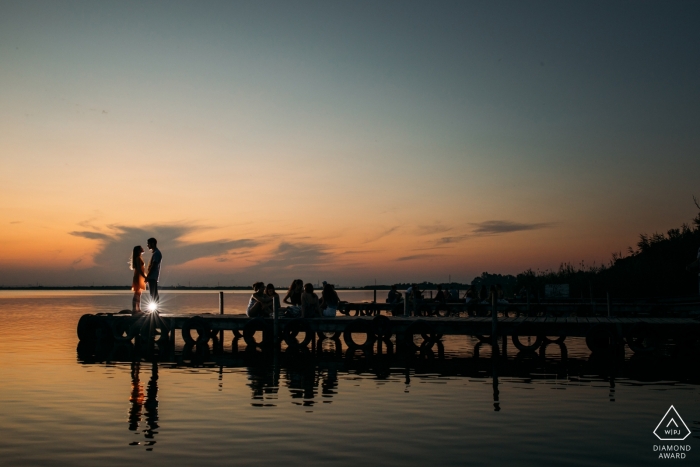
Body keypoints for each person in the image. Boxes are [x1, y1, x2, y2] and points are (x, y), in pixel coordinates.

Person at [129, 246, 147, 313]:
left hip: (140, 277)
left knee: (139, 293)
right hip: (138, 277)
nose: (143, 248)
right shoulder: (138, 258)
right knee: (137, 293)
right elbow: (139, 269)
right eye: (141, 248)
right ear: (139, 250)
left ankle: (138, 308)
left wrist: (144, 276)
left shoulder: (139, 258)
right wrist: (145, 277)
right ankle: (135, 309)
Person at [145, 238, 162, 306]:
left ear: (152, 244)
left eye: (148, 244)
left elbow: (154, 265)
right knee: (153, 293)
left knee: (153, 293)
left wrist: (148, 276)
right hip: (153, 276)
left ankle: (154, 310)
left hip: (153, 276)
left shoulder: (156, 253)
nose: (147, 245)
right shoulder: (155, 253)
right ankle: (154, 309)